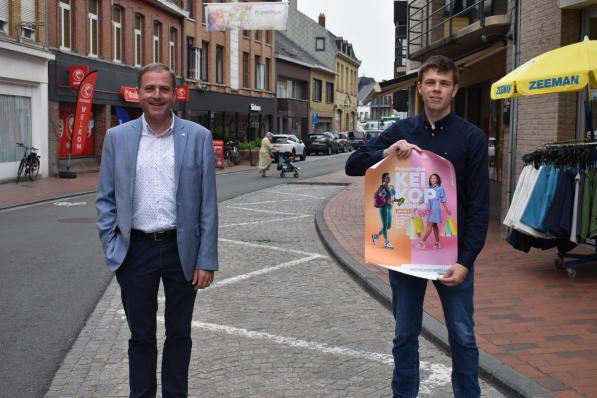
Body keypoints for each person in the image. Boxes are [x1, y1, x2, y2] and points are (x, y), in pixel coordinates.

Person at [346, 55, 489, 398]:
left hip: (451, 256)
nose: (436, 89)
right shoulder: (401, 131)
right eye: (430, 82)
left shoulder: (471, 138)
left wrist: (466, 260)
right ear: (420, 88)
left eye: (443, 83)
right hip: (408, 256)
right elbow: (354, 164)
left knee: (462, 335)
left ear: (454, 89)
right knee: (405, 334)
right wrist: (388, 152)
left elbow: (479, 205)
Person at [96, 63, 218, 398]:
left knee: (179, 333)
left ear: (174, 94)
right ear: (138, 93)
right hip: (135, 250)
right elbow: (105, 198)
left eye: (163, 89)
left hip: (182, 250)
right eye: (149, 88)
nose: (156, 95)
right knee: (141, 336)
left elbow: (208, 204)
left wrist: (206, 259)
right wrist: (112, 244)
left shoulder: (197, 137)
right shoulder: (116, 138)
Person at [417, 173, 451, 250]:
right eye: (431, 178)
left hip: (435, 209)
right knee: (434, 226)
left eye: (434, 178)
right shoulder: (428, 189)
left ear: (437, 180)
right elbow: (421, 200)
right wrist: (415, 206)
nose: (432, 179)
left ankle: (422, 242)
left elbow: (443, 200)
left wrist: (446, 209)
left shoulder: (440, 188)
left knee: (429, 226)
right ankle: (437, 243)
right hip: (429, 209)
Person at [372, 172, 399, 249]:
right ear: (384, 179)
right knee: (384, 225)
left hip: (390, 208)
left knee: (389, 226)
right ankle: (386, 242)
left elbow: (393, 199)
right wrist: (380, 194)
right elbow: (375, 196)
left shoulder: (391, 187)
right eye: (387, 177)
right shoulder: (382, 187)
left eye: (389, 177)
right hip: (384, 208)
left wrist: (399, 200)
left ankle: (376, 236)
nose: (389, 178)